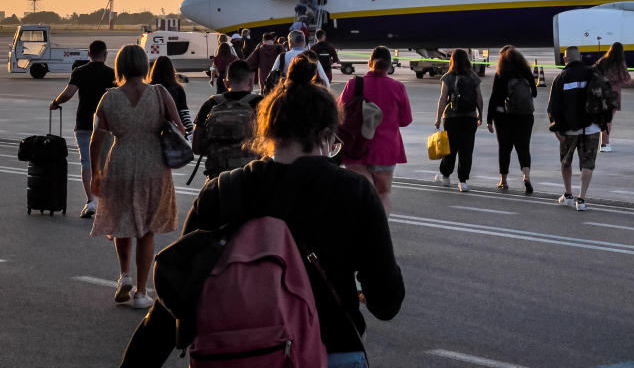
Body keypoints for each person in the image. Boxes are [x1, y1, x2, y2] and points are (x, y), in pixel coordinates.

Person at [119, 55, 405, 368]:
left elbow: (173, 297)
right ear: (327, 134)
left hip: (238, 355)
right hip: (332, 349)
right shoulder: (354, 190)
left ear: (266, 130)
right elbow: (387, 303)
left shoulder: (222, 191)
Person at [89, 45, 184, 309]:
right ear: (144, 66)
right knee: (147, 228)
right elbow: (180, 129)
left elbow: (96, 139)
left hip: (120, 162)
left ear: (120, 67)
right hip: (153, 165)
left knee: (122, 221)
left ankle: (124, 275)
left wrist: (96, 171)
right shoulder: (160, 93)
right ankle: (142, 292)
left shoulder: (108, 98)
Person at [337, 46, 412, 214]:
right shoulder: (398, 87)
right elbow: (406, 120)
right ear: (389, 65)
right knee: (383, 194)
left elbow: (338, 113)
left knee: (362, 197)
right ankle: (380, 231)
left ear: (369, 63)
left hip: (356, 149)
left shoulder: (353, 84)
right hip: (386, 151)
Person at [49, 40, 116, 218]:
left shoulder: (79, 72)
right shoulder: (112, 73)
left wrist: (55, 103)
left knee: (87, 163)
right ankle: (108, 203)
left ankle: (91, 202)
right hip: (107, 125)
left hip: (84, 124)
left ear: (89, 54)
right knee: (107, 163)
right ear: (105, 54)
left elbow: (68, 94)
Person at [191, 59, 263, 180]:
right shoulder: (260, 104)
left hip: (216, 179)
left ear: (226, 83)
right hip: (249, 178)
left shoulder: (210, 104)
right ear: (251, 82)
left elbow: (196, 148)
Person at [547, 46, 599, 212]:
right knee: (588, 163)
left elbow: (553, 107)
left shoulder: (561, 78)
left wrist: (556, 128)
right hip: (591, 127)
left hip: (569, 129)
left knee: (565, 161)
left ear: (565, 59)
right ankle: (582, 199)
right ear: (581, 57)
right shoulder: (594, 74)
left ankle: (568, 195)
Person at [486, 45, 537, 193]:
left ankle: (503, 180)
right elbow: (533, 93)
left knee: (504, 148)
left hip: (504, 116)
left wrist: (489, 119)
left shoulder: (501, 73)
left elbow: (494, 98)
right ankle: (526, 176)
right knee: (523, 147)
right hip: (525, 115)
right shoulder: (526, 72)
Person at [433, 49, 483, 192]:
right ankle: (463, 181)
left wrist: (438, 118)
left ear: (452, 61)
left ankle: (446, 176)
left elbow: (443, 99)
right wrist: (480, 114)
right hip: (470, 117)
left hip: (451, 118)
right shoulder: (474, 77)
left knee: (450, 148)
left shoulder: (448, 77)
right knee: (466, 149)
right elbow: (479, 97)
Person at [593, 41, 631, 152]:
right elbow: (627, 79)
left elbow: (593, 72)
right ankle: (605, 144)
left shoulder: (603, 61)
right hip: (614, 95)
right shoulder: (620, 64)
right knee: (608, 120)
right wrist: (617, 82)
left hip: (602, 93)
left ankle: (602, 142)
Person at [147, 55, 193, 136]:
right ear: (171, 70)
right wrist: (190, 130)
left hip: (152, 132)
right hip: (172, 132)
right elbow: (184, 113)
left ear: (154, 71)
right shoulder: (178, 89)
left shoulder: (148, 88)